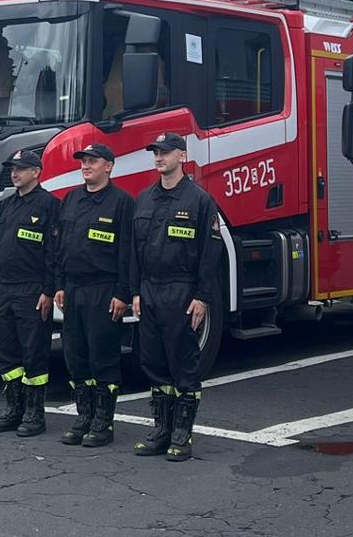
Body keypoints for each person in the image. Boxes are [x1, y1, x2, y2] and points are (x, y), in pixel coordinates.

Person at [130, 132, 223, 462]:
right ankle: (162, 430)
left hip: (182, 291)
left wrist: (202, 297)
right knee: (153, 362)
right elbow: (134, 252)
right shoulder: (144, 200)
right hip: (150, 290)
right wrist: (135, 292)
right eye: (155, 152)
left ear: (182, 156)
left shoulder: (199, 201)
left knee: (182, 362)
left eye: (166, 152)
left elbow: (210, 256)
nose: (159, 157)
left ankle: (182, 434)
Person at [52, 141, 135, 447]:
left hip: (104, 289)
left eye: (93, 161)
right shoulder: (71, 199)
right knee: (76, 356)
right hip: (74, 289)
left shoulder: (122, 203)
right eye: (83, 161)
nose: (85, 166)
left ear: (109, 167)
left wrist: (122, 293)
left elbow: (127, 253)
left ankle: (103, 422)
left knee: (103, 356)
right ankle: (83, 416)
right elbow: (61, 248)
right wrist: (59, 285)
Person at [0, 148, 59, 437]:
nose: (14, 173)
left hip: (32, 289)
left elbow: (54, 252)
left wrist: (48, 290)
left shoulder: (49, 205)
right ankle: (13, 407)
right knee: (6, 352)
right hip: (5, 289)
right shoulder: (5, 205)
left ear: (36, 172)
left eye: (20, 168)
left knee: (34, 354)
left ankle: (34, 413)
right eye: (12, 169)